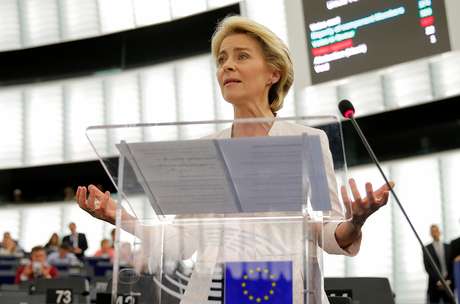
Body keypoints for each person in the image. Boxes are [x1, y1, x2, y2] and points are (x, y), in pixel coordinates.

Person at [75, 16, 393, 303]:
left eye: (242, 56)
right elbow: (181, 243)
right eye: (222, 59)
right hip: (212, 295)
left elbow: (327, 231)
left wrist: (355, 221)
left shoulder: (309, 141)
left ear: (273, 72)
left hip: (289, 292)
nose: (227, 66)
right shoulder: (203, 149)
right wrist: (122, 217)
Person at [423, 224, 453, 304]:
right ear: (430, 234)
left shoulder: (448, 246)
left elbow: (451, 265)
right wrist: (438, 280)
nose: (435, 233)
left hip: (448, 283)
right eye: (432, 231)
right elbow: (427, 267)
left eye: (436, 231)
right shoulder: (427, 248)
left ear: (440, 232)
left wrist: (448, 280)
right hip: (434, 284)